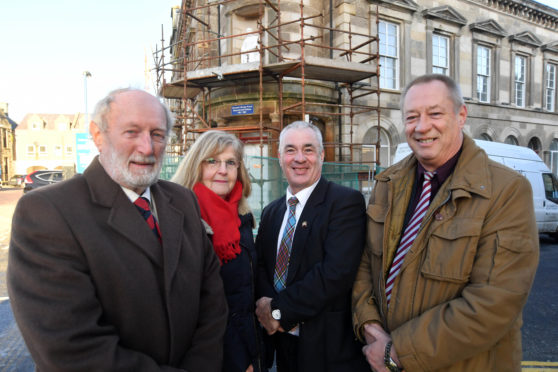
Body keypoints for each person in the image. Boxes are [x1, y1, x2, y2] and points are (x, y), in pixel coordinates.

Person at [8, 88, 228, 371]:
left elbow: (212, 303)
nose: (147, 147)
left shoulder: (183, 200)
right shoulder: (47, 212)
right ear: (98, 135)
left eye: (157, 134)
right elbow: (72, 349)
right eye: (132, 132)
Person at [352, 74, 539, 372]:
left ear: (461, 115)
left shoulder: (507, 191)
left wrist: (397, 350)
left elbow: (493, 303)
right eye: (412, 117)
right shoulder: (387, 182)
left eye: (435, 114)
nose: (422, 127)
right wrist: (370, 326)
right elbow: (365, 264)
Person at [255, 121, 369, 372]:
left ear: (321, 155)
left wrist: (277, 313)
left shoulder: (345, 203)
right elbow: (262, 266)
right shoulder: (271, 211)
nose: (299, 159)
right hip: (281, 346)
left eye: (308, 149)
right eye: (290, 150)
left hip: (326, 351)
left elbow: (335, 273)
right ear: (279, 156)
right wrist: (267, 311)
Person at [172, 130, 264, 372]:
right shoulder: (181, 219)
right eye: (212, 161)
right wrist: (239, 358)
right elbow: (198, 305)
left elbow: (244, 292)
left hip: (249, 344)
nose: (222, 170)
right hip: (209, 356)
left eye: (230, 163)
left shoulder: (241, 218)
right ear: (197, 166)